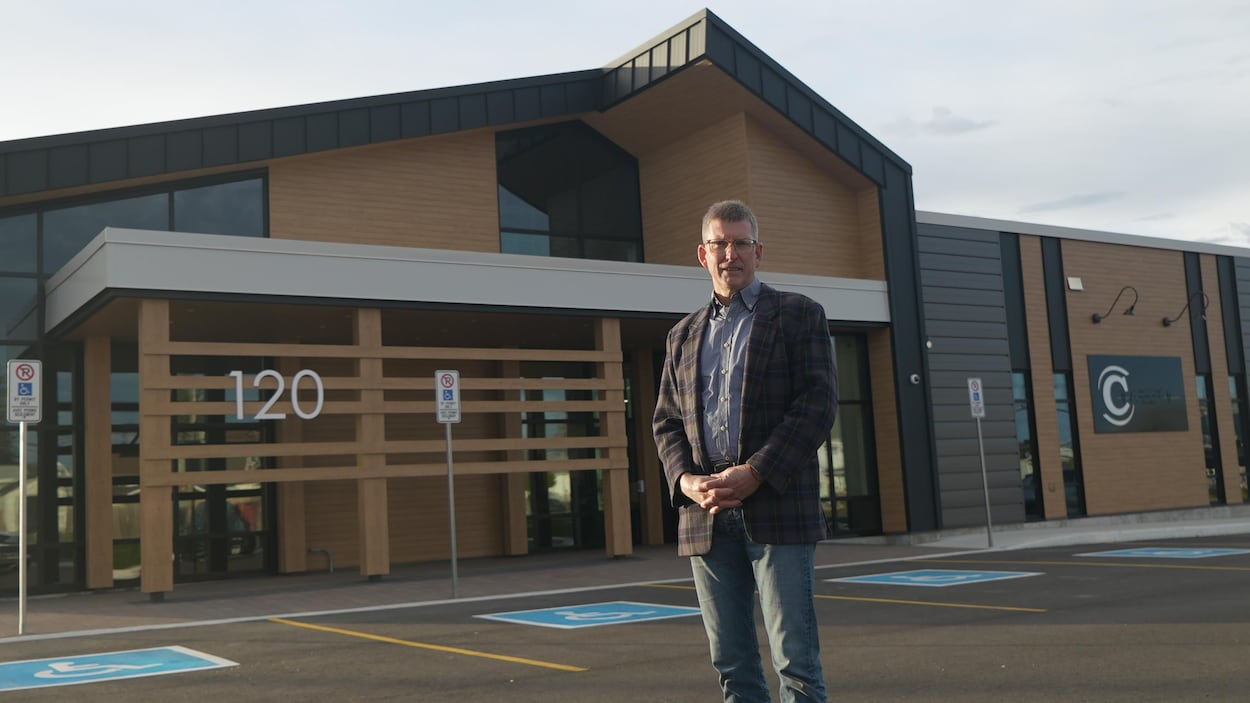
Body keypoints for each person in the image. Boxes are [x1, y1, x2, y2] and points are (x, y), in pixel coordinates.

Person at [653, 200, 837, 702]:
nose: (729, 253)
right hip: (706, 515)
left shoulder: (799, 315)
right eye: (719, 243)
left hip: (778, 504)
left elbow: (817, 406)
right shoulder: (681, 335)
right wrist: (687, 483)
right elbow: (666, 423)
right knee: (733, 668)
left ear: (759, 251)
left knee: (796, 664)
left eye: (739, 243)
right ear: (702, 254)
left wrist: (755, 472)